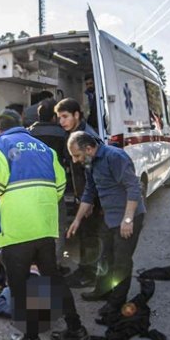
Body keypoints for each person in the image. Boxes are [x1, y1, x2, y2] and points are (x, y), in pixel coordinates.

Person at [0, 110, 87, 340]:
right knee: (53, 278)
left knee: (18, 286)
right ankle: (76, 327)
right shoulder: (43, 148)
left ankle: (31, 338)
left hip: (17, 228)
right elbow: (60, 185)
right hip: (44, 226)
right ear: (22, 125)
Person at [67, 131, 146, 318]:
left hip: (128, 216)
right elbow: (89, 191)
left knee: (121, 262)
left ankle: (116, 301)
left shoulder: (114, 157)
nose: (76, 160)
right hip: (110, 217)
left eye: (77, 155)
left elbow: (133, 187)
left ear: (88, 148)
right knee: (104, 256)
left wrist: (128, 219)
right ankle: (101, 291)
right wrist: (77, 220)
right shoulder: (90, 162)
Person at [56, 98, 104, 291]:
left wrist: (90, 200)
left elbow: (94, 172)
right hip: (83, 194)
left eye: (65, 116)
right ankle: (85, 270)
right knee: (85, 234)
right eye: (59, 117)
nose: (61, 121)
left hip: (91, 197)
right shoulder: (73, 134)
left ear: (77, 115)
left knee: (90, 235)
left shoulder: (86, 137)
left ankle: (89, 274)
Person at [29, 98, 70, 268]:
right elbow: (69, 161)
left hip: (31, 187)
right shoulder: (62, 134)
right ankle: (56, 264)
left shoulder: (28, 133)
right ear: (54, 116)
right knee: (58, 226)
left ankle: (35, 263)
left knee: (35, 225)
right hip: (54, 187)